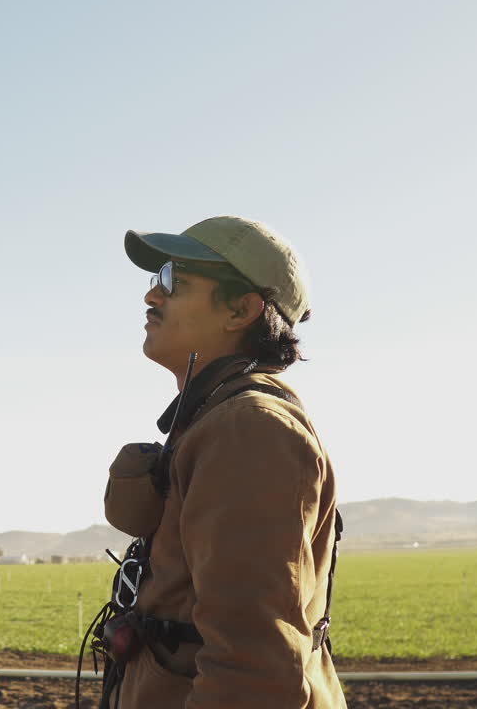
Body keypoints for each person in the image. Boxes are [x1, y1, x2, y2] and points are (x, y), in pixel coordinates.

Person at [97, 216, 345, 708]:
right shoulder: (214, 419)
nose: (152, 296)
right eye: (155, 278)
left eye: (173, 280)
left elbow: (254, 668)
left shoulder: (249, 429)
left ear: (241, 310)